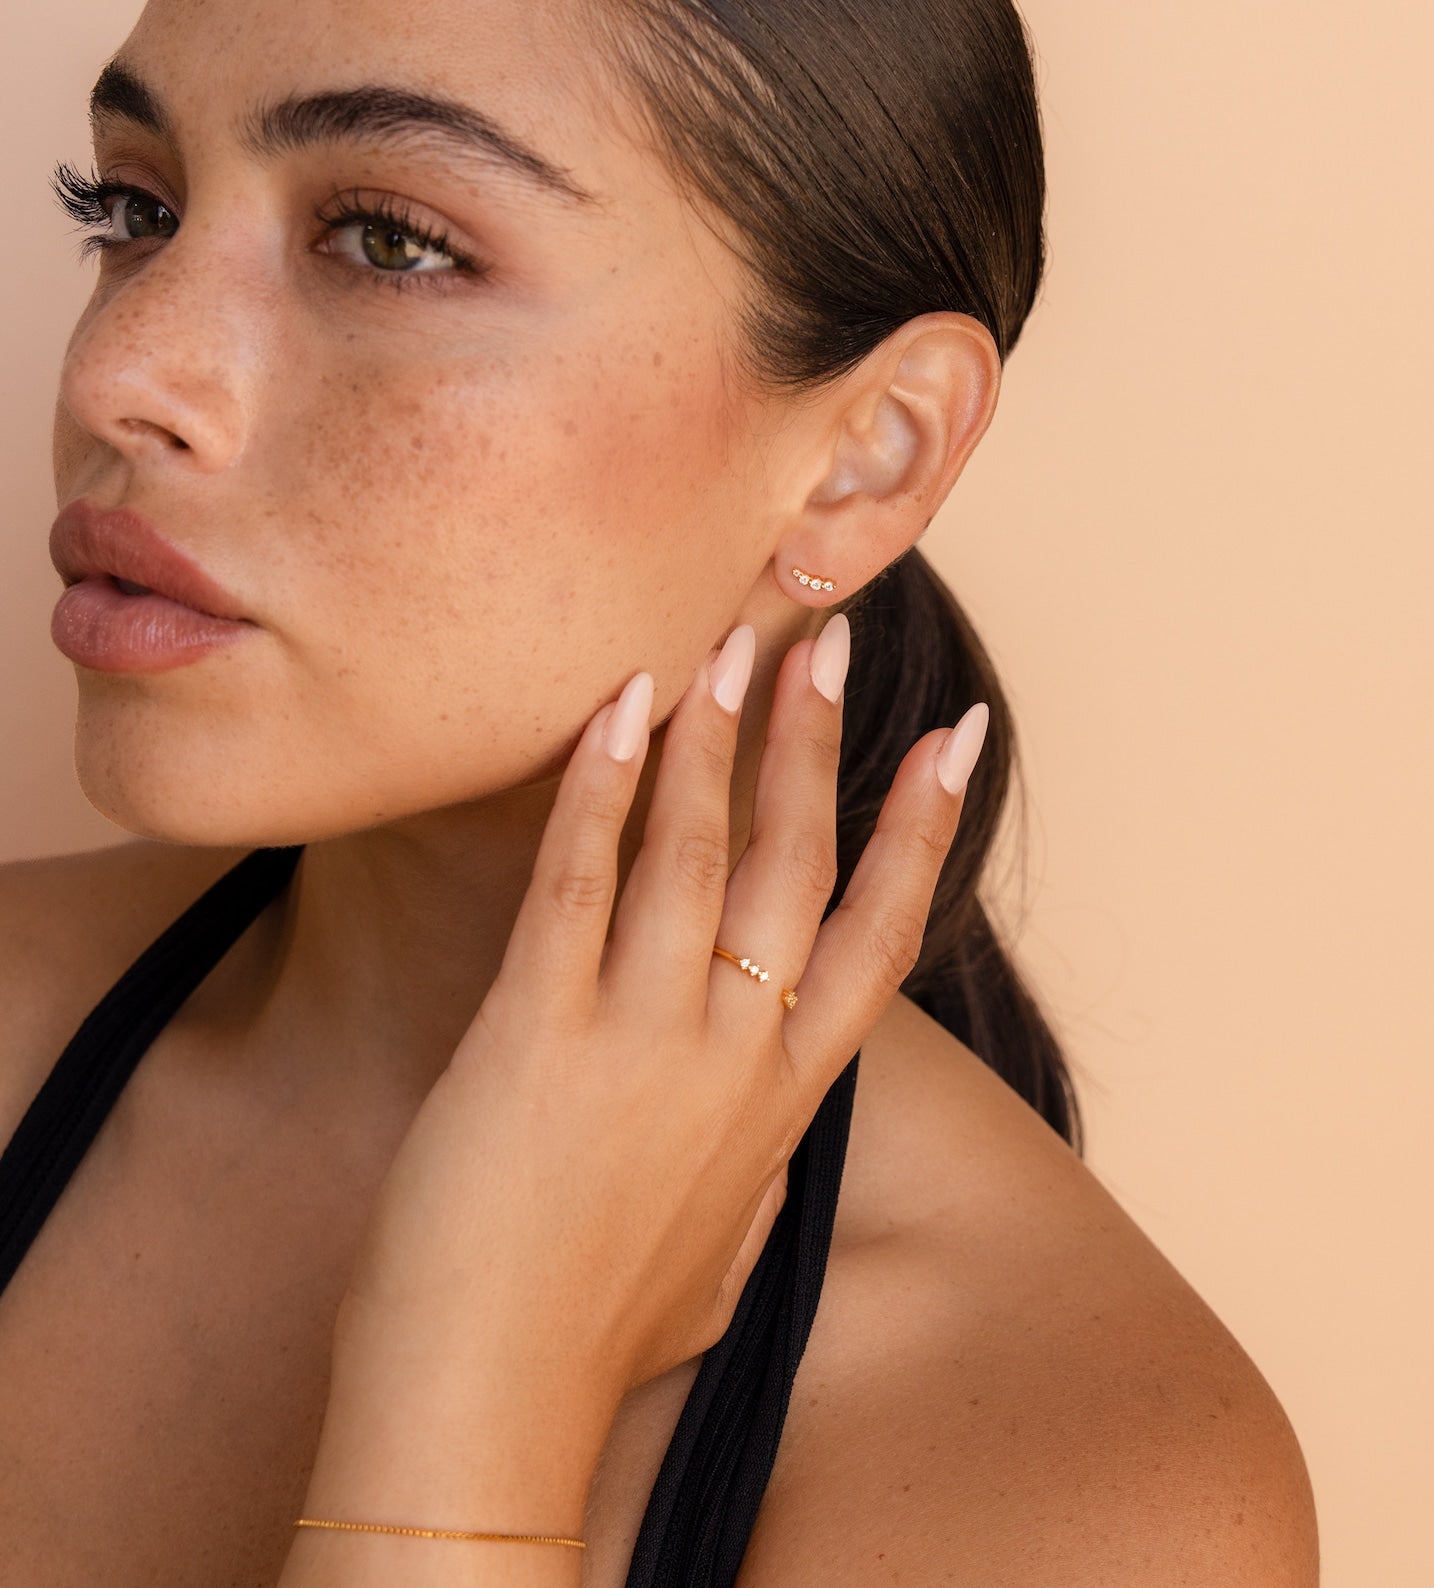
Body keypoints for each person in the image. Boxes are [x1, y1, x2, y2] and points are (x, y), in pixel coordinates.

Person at [0, 0, 1319, 1582]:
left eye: (394, 242)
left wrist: (471, 1410)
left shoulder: (1089, 1474)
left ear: (867, 458)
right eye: (135, 210)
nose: (117, 374)